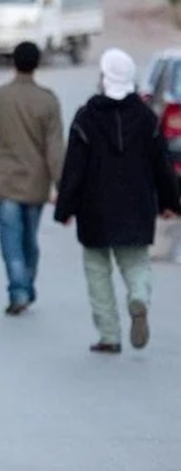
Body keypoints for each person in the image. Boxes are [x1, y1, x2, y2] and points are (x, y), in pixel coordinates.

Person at [54, 48, 181, 354]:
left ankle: (109, 335)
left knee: (97, 271)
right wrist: (170, 202)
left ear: (105, 77)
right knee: (136, 261)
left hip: (94, 208)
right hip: (137, 205)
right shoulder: (145, 117)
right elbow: (161, 165)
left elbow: (74, 167)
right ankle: (138, 296)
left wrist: (65, 208)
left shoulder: (86, 117)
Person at [0, 42, 66, 315]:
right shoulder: (48, 101)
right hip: (36, 183)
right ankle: (25, 285)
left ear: (14, 63)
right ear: (37, 64)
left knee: (10, 239)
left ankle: (19, 290)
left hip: (5, 181)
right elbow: (55, 149)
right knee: (29, 238)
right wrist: (63, 188)